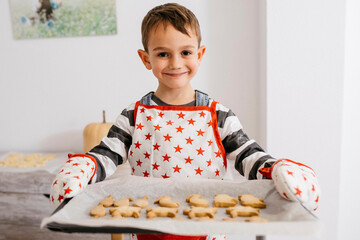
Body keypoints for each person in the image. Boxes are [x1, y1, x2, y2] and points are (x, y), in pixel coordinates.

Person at [50, 3, 320, 240]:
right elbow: (106, 155)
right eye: (163, 53)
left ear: (200, 55)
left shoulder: (219, 115)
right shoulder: (134, 115)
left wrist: (277, 170)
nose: (176, 63)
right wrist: (83, 167)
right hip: (147, 225)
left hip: (207, 226)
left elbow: (249, 156)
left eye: (186, 53)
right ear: (146, 59)